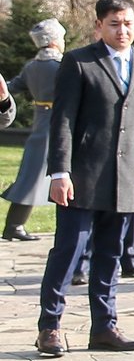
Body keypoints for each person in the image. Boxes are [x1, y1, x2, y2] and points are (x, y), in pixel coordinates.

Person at [35, 0, 134, 358]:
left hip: (124, 181)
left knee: (110, 254)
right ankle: (50, 327)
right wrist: (60, 172)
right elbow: (64, 121)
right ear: (99, 26)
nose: (123, 30)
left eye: (129, 23)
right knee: (69, 252)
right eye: (115, 24)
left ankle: (104, 326)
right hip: (81, 179)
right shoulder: (78, 62)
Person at [3, 19, 66, 241]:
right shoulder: (61, 66)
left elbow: (11, 87)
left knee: (32, 176)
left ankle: (14, 225)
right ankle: (14, 226)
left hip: (41, 123)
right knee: (34, 178)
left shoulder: (32, 66)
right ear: (54, 41)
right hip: (58, 125)